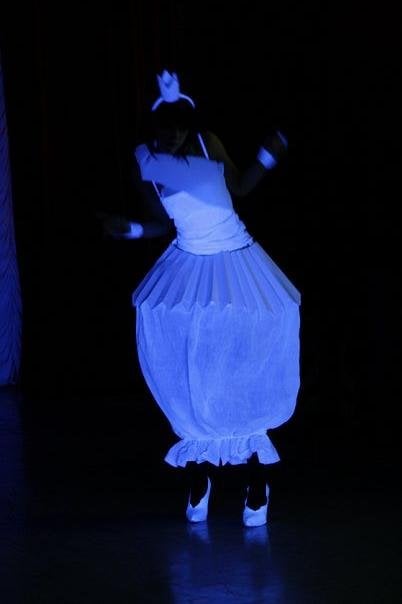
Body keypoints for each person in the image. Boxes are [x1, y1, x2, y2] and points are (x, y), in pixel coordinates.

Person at [99, 70, 301, 527]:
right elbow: (160, 223)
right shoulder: (146, 162)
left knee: (242, 364)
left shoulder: (207, 145)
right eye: (164, 130)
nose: (171, 137)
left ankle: (256, 477)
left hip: (236, 263)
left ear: (188, 126)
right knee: (196, 371)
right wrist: (130, 230)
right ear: (153, 129)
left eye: (178, 128)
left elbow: (241, 187)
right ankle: (199, 473)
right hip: (189, 266)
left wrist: (268, 156)